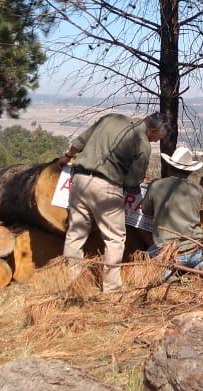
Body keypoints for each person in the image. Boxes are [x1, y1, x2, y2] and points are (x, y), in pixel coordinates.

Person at [60, 112, 166, 293]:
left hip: (79, 180)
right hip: (107, 187)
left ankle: (71, 282)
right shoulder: (142, 142)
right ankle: (112, 288)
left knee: (76, 233)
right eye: (156, 138)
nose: (155, 142)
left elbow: (81, 140)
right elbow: (133, 181)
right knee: (115, 238)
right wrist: (131, 189)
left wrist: (67, 156)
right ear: (152, 130)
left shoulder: (110, 119)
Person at [142, 145, 203, 269]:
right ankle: (201, 264)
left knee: (147, 256)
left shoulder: (156, 186)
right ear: (189, 171)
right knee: (197, 260)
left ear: (170, 166)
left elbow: (146, 211)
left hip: (168, 252)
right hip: (195, 249)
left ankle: (166, 272)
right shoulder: (198, 189)